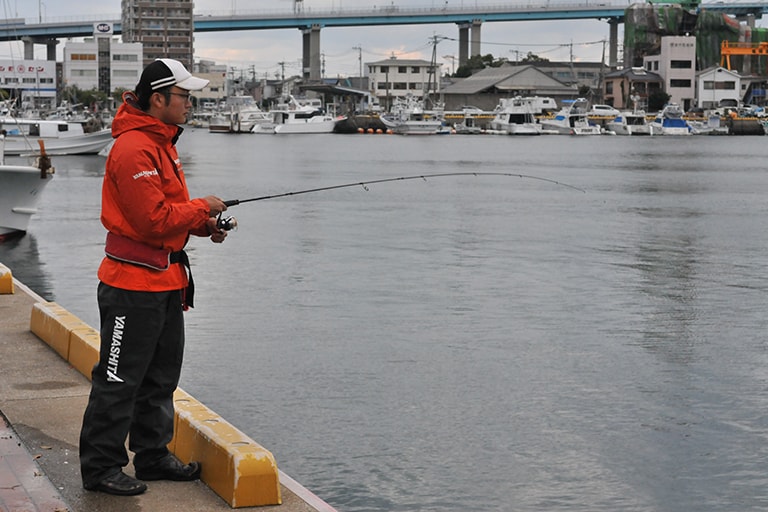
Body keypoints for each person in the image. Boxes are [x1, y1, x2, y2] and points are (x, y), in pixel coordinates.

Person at [79, 58, 228, 496]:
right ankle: (101, 468)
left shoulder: (162, 143)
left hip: (164, 283)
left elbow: (170, 210)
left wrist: (205, 225)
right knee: (118, 379)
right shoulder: (133, 148)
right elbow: (152, 220)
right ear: (157, 98)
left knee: (161, 378)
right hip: (130, 288)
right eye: (183, 96)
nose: (189, 104)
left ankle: (152, 456)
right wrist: (202, 208)